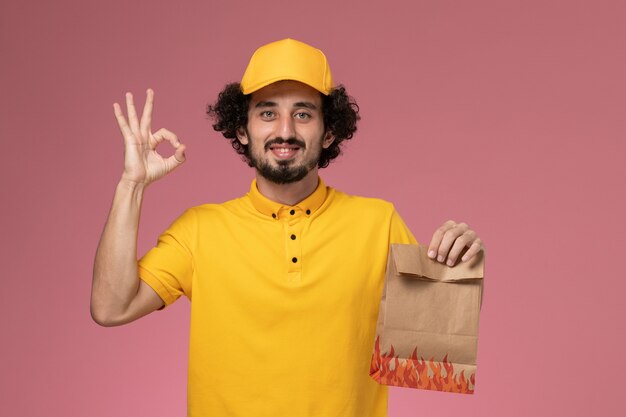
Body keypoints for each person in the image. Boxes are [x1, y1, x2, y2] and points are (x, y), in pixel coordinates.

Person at [91, 38, 485, 417]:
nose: (285, 130)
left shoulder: (378, 223)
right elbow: (111, 307)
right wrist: (132, 185)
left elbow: (432, 353)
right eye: (267, 112)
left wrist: (458, 267)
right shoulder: (199, 230)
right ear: (242, 131)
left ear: (328, 132)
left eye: (303, 113)